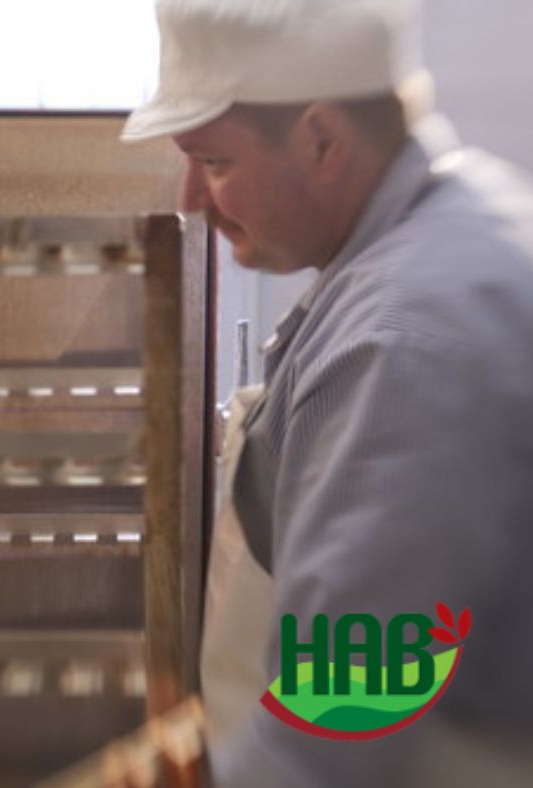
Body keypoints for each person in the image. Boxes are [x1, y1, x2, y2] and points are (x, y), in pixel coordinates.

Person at [123, 1, 533, 786]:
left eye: (213, 163)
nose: (189, 198)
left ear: (321, 140)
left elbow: (348, 718)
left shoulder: (401, 344)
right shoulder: (464, 216)